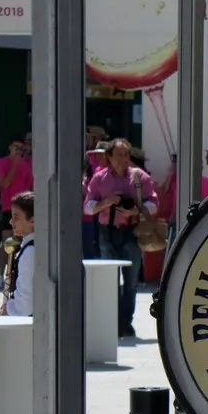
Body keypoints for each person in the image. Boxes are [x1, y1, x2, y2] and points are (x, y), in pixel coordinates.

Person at [83, 138, 158, 338]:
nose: (123, 159)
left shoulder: (140, 177)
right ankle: (114, 323)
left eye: (126, 155)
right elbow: (87, 207)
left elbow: (154, 203)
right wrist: (105, 203)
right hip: (106, 233)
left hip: (132, 233)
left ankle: (126, 322)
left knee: (131, 281)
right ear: (109, 157)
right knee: (111, 281)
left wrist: (137, 209)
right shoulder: (99, 179)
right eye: (119, 155)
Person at [0, 139, 35, 289]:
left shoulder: (27, 165)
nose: (18, 151)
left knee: (21, 241)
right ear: (10, 147)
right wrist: (15, 165)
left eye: (21, 148)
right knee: (7, 241)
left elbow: (30, 186)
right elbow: (4, 183)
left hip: (24, 207)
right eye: (16, 147)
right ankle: (0, 275)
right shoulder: (1, 163)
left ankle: (15, 275)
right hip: (8, 207)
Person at [1, 191, 35, 317]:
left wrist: (8, 309)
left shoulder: (30, 252)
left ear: (33, 221)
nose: (10, 222)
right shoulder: (33, 246)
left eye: (16, 217)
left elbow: (25, 304)